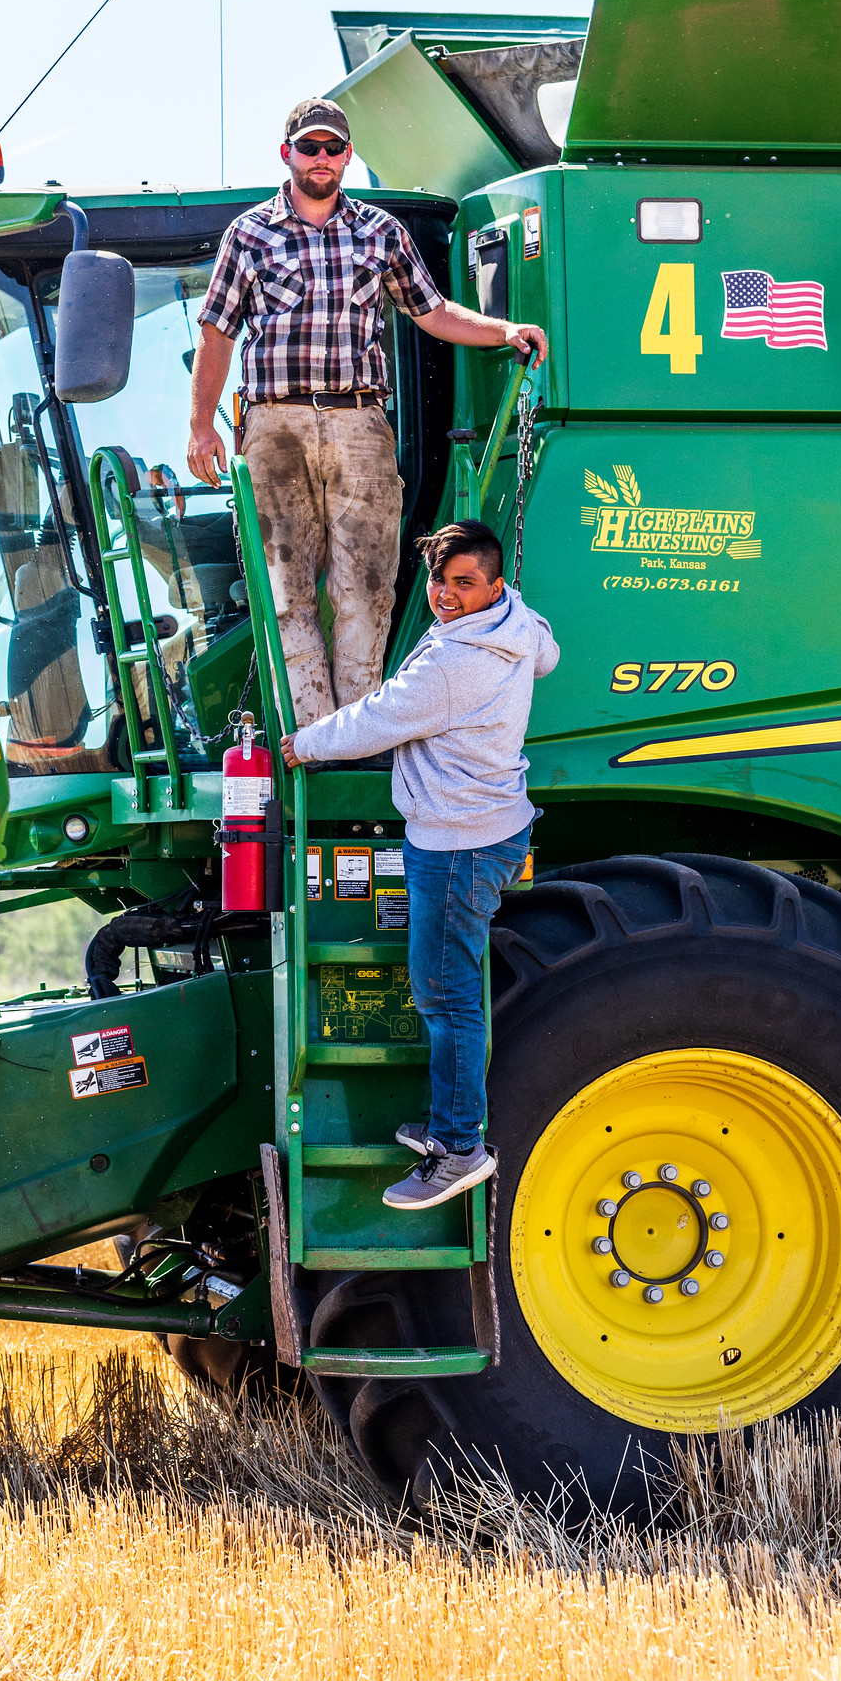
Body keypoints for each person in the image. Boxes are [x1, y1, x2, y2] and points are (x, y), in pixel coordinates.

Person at [187, 98, 547, 726]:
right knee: (284, 592)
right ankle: (312, 738)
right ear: (288, 154)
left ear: (348, 156)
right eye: (310, 148)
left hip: (360, 423)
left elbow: (432, 312)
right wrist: (200, 426)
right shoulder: (248, 234)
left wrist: (502, 329)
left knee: (366, 590)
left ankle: (353, 732)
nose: (321, 158)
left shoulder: (380, 232)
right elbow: (215, 332)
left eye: (333, 148)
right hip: (274, 425)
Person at [280, 518, 558, 1210]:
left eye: (463, 583)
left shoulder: (450, 666)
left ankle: (459, 1148)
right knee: (450, 993)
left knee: (446, 998)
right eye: (439, 580)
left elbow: (374, 719)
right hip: (493, 827)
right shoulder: (519, 626)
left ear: (493, 583)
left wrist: (302, 745)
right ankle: (449, 1124)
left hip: (457, 846)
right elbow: (547, 655)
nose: (444, 595)